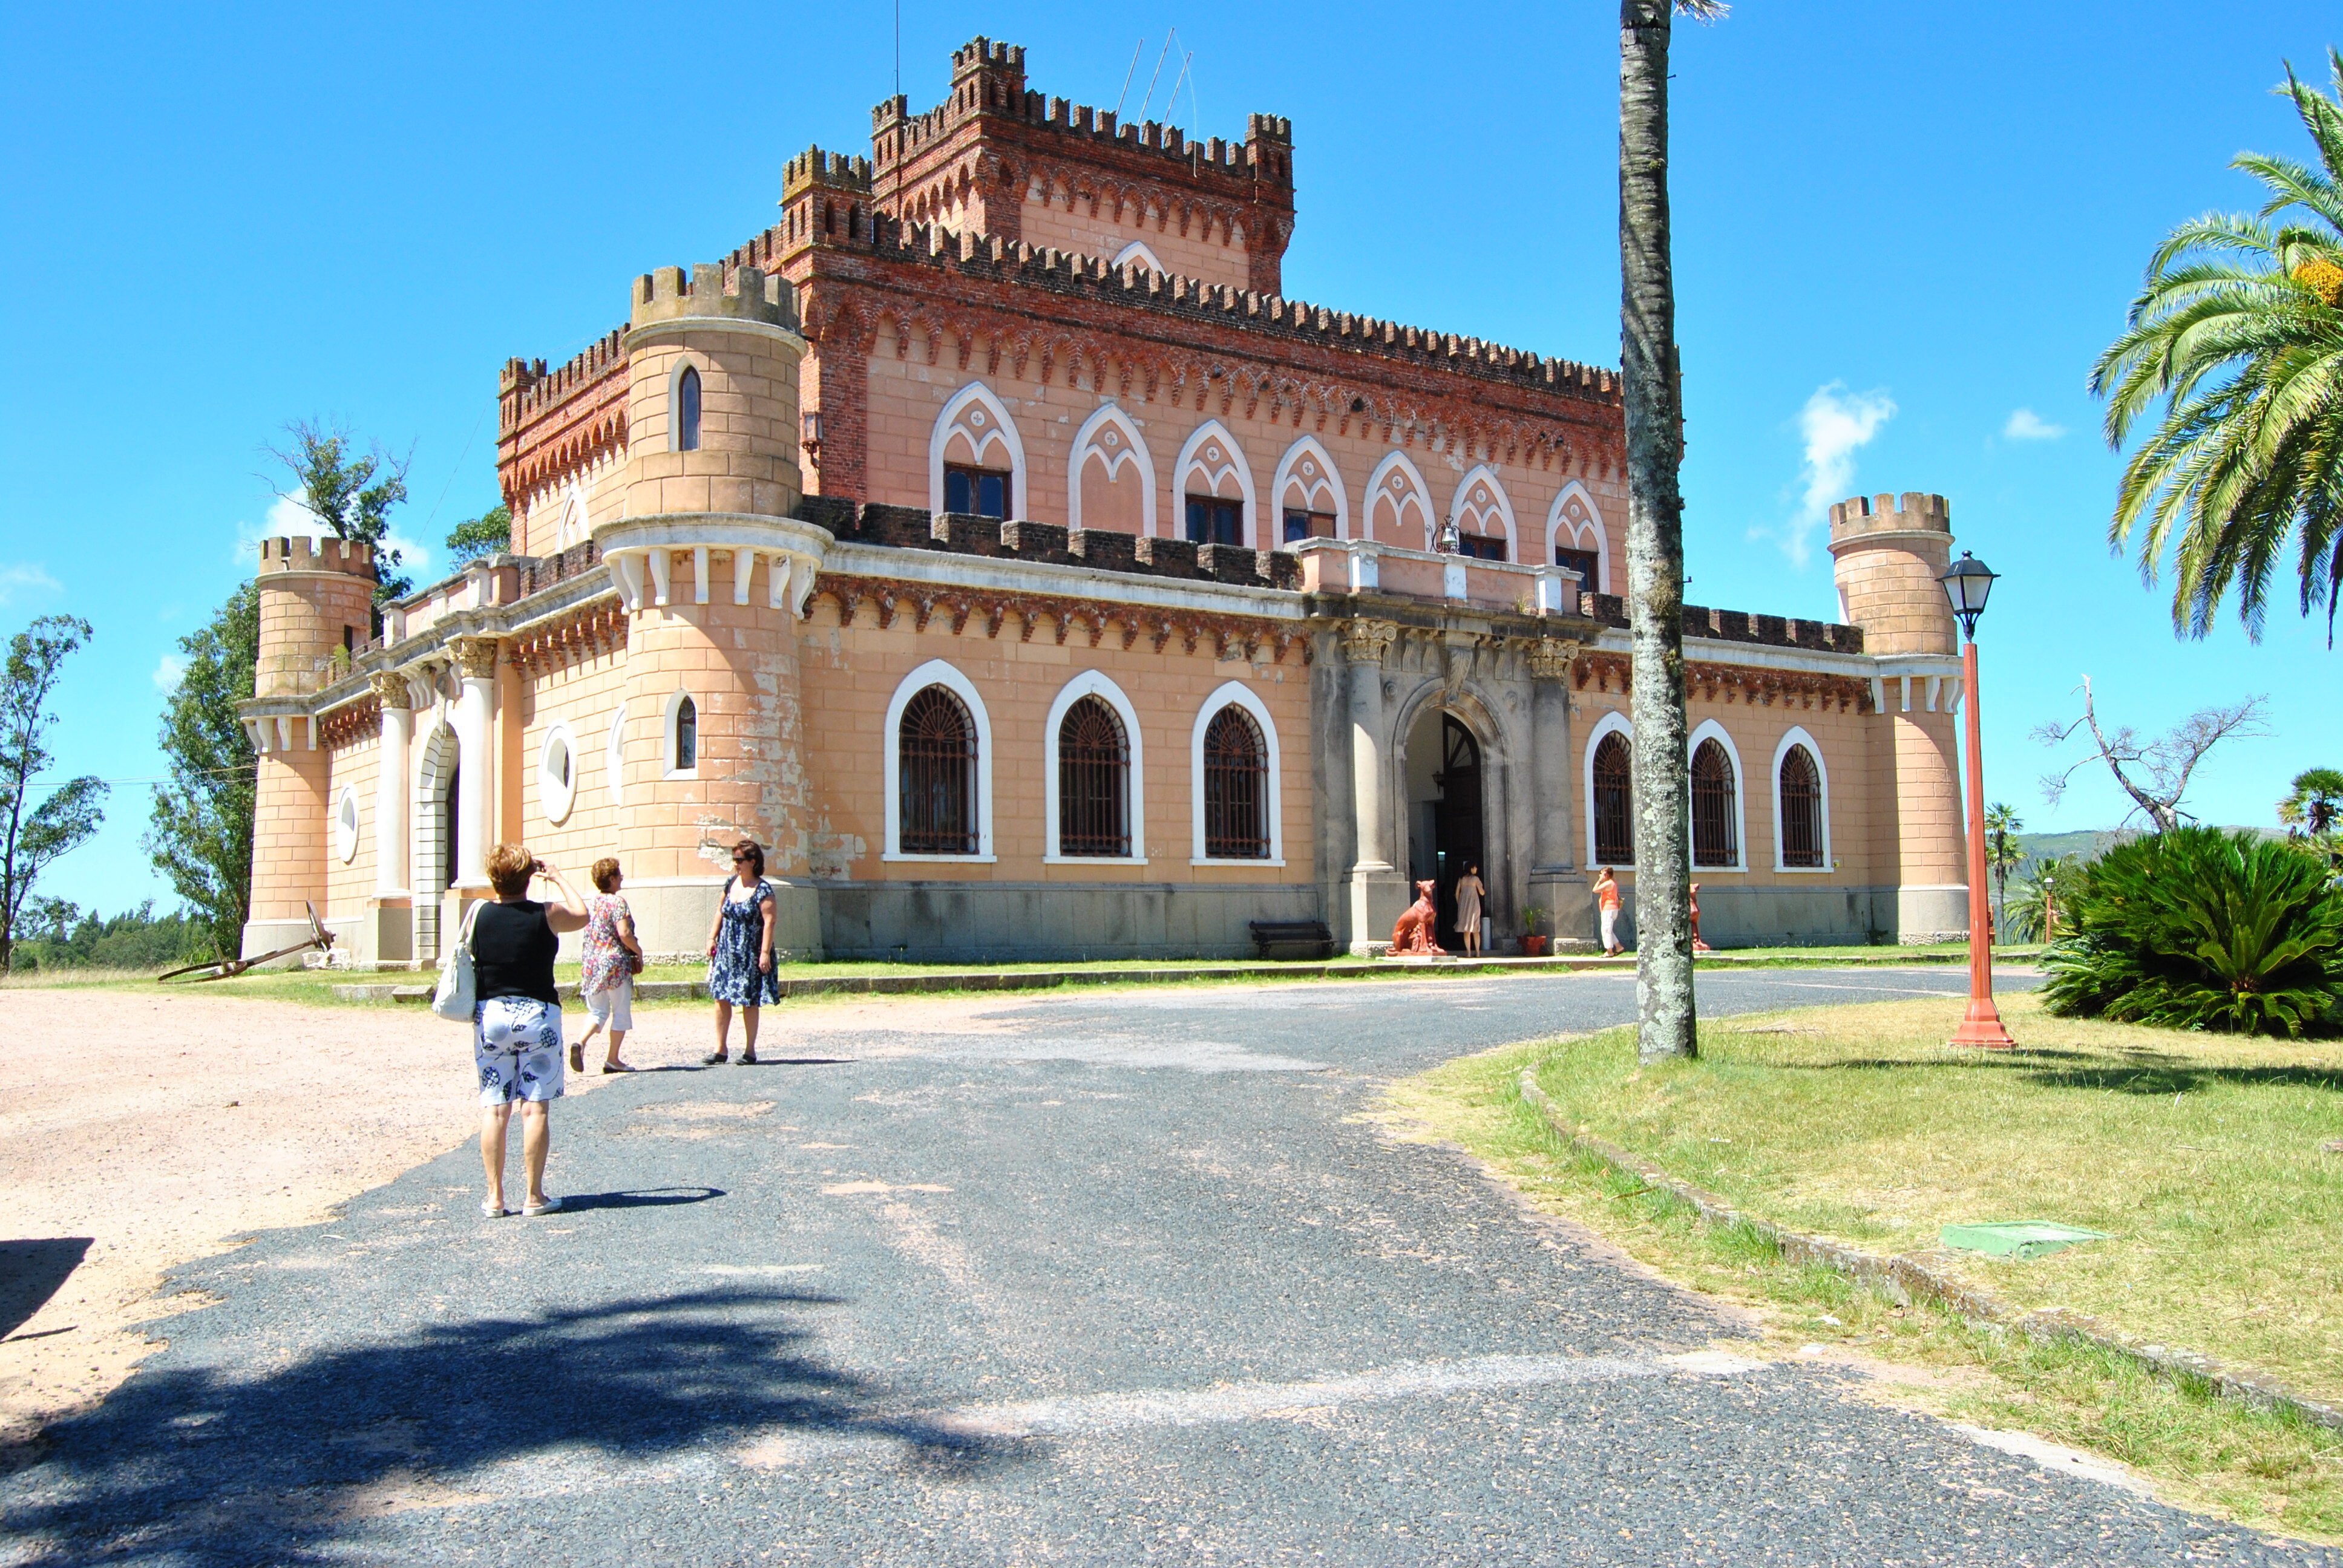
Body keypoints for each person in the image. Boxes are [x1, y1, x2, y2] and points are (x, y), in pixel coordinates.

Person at [471, 843, 588, 1218]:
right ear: (527, 876)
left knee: (494, 1109)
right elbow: (582, 914)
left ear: (493, 877)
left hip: (492, 1015)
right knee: (534, 1108)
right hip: (538, 1014)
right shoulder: (546, 913)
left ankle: (494, 1198)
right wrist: (555, 876)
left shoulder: (479, 915)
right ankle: (533, 1197)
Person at [704, 838, 781, 1065]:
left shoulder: (763, 889)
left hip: (750, 953)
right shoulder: (730, 884)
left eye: (740, 860)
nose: (735, 864)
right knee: (721, 997)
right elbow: (720, 912)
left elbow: (770, 922)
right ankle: (720, 1049)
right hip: (727, 952)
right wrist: (712, 937)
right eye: (734, 859)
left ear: (753, 862)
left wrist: (764, 953)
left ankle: (750, 1051)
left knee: (749, 1000)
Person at [572, 856, 642, 1074]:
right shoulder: (618, 902)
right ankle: (613, 1059)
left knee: (598, 1011)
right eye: (619, 875)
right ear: (611, 879)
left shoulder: (591, 903)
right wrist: (638, 951)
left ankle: (581, 1042)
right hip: (615, 963)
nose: (621, 878)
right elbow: (624, 933)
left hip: (593, 964)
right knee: (620, 1011)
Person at [1453, 863, 1486, 956]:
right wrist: (1482, 889)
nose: (1476, 869)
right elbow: (1482, 892)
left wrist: (1460, 904)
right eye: (1474, 867)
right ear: (1471, 869)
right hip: (1474, 905)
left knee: (1466, 930)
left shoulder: (1461, 879)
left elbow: (1457, 893)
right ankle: (1478, 953)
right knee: (1476, 929)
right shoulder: (1476, 879)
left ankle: (1468, 953)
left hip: (1463, 906)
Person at [1594, 866, 1625, 956]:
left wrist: (1600, 880)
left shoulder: (1609, 883)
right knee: (1609, 930)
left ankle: (1610, 951)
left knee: (1606, 930)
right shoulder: (1613, 883)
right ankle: (1619, 947)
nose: (1600, 875)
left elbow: (1595, 889)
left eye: (1601, 873)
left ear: (1606, 875)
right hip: (1612, 909)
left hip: (1609, 909)